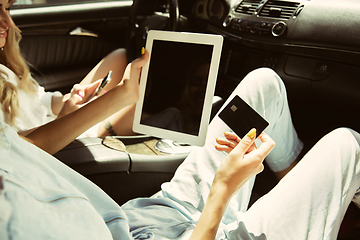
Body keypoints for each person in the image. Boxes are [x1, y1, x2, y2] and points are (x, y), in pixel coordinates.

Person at [2, 47, 360, 240]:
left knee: (261, 84)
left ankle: (316, 203)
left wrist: (124, 94)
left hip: (145, 217)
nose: (6, 21)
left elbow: (28, 145)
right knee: (346, 147)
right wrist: (223, 188)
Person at [0, 0, 136, 138]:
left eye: (7, 9)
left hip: (53, 123)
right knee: (137, 99)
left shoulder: (5, 63)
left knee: (120, 57)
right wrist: (66, 118)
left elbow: (34, 99)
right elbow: (14, 146)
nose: (9, 22)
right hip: (57, 141)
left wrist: (66, 100)